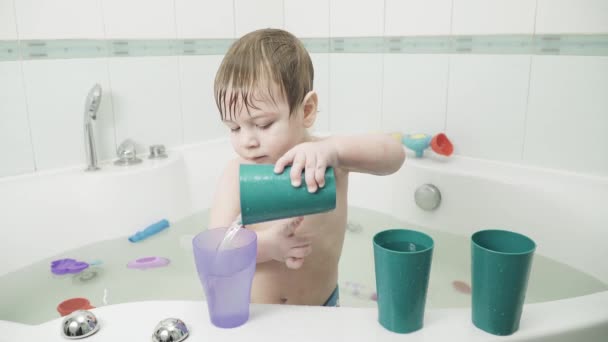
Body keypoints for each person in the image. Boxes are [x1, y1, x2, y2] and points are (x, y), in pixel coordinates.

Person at [209, 28, 405, 306]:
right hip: (257, 315)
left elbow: (394, 156)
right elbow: (217, 250)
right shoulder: (235, 174)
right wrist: (268, 246)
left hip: (322, 309)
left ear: (307, 110)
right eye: (234, 127)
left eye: (263, 124)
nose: (247, 141)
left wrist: (334, 151)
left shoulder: (329, 160)